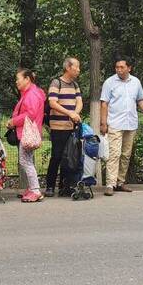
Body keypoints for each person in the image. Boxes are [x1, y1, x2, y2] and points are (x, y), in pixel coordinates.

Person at [100, 55, 143, 196]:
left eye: (122, 67)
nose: (119, 70)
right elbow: (104, 103)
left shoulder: (135, 82)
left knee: (126, 155)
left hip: (130, 123)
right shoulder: (109, 82)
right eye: (117, 67)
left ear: (129, 68)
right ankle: (110, 184)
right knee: (114, 154)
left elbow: (140, 100)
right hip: (114, 123)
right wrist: (103, 123)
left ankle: (120, 182)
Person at [45, 58, 83, 197]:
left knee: (69, 156)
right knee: (56, 156)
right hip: (58, 127)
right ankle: (50, 186)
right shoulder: (57, 83)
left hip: (71, 126)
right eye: (77, 67)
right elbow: (53, 103)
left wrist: (75, 113)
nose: (79, 70)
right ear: (68, 67)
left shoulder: (75, 85)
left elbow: (79, 101)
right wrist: (69, 113)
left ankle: (65, 186)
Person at [7, 68, 46, 203]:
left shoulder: (31, 94)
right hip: (27, 132)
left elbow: (30, 114)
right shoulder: (30, 93)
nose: (16, 81)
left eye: (18, 79)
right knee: (27, 160)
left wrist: (14, 121)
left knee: (25, 161)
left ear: (27, 79)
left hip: (27, 132)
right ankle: (32, 188)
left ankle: (35, 189)